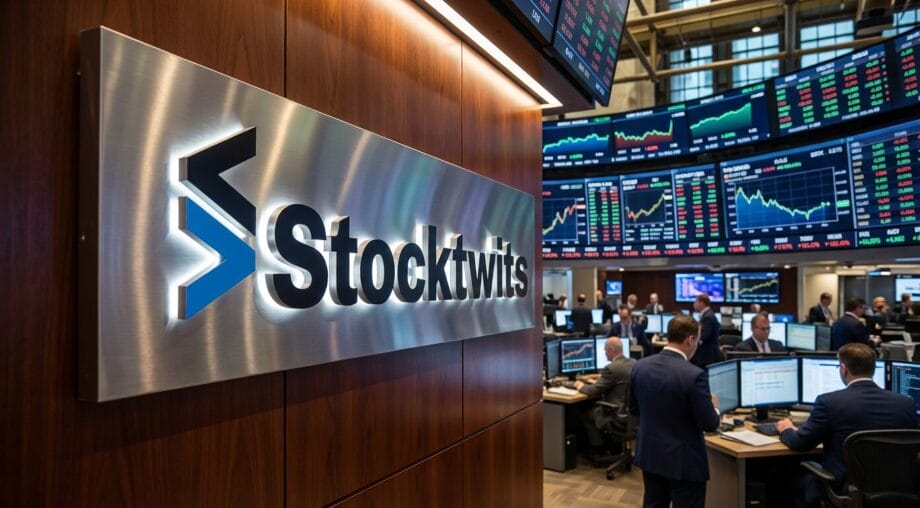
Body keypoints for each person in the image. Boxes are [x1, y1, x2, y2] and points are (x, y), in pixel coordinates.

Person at [775, 343, 917, 507]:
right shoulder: (906, 404)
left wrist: (786, 429)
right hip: (897, 492)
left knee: (787, 477)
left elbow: (801, 443)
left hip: (843, 490)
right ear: (874, 368)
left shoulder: (829, 402)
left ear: (843, 369)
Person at [629, 315, 720, 508]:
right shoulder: (694, 375)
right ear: (690, 340)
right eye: (698, 340)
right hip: (683, 463)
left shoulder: (640, 366)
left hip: (650, 454)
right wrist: (715, 407)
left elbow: (634, 409)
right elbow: (710, 424)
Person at [573, 337, 635, 463]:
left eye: (605, 351)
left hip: (616, 415)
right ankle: (609, 448)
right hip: (632, 416)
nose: (605, 353)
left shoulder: (611, 369)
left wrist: (579, 385)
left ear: (611, 351)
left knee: (585, 415)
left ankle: (598, 450)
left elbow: (593, 391)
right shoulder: (634, 363)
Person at [690, 294, 720, 368]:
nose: (694, 304)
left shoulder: (708, 317)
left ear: (701, 303)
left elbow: (703, 336)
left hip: (707, 357)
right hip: (707, 354)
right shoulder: (708, 314)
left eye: (695, 302)